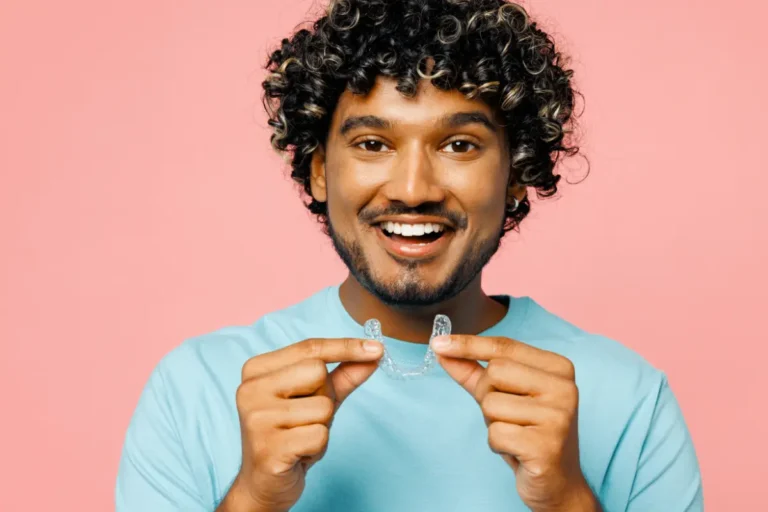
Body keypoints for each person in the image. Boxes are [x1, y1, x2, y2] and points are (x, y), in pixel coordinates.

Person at [115, 0, 703, 510]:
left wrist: (568, 499)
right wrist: (254, 499)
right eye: (373, 143)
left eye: (459, 144)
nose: (413, 188)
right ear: (319, 171)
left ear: (517, 176)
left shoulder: (630, 401)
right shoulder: (194, 390)